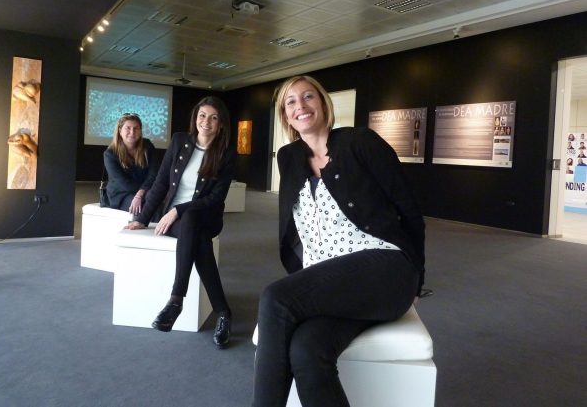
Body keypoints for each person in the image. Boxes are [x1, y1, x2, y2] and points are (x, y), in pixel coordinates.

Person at [252, 76, 425, 407]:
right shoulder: (288, 157)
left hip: (385, 268)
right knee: (306, 350)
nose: (301, 106)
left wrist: (418, 277)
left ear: (323, 103)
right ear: (285, 115)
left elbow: (410, 211)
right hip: (335, 281)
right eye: (291, 102)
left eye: (308, 97)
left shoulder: (360, 142)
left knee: (276, 298)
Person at [125, 96, 235, 348]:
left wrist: (178, 210)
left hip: (206, 216)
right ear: (195, 118)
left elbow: (216, 198)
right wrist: (142, 218)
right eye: (202, 116)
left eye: (214, 117)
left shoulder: (226, 152)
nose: (206, 122)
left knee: (192, 218)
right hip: (177, 221)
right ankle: (223, 312)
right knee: (199, 242)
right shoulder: (179, 141)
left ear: (221, 124)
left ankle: (176, 300)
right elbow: (161, 182)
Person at [104, 113, 159, 215]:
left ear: (140, 131)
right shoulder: (110, 154)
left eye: (136, 128)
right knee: (147, 206)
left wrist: (141, 193)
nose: (132, 132)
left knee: (158, 202)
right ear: (120, 131)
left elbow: (153, 174)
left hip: (144, 191)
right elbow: (124, 184)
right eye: (128, 128)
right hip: (121, 194)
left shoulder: (147, 146)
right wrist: (143, 193)